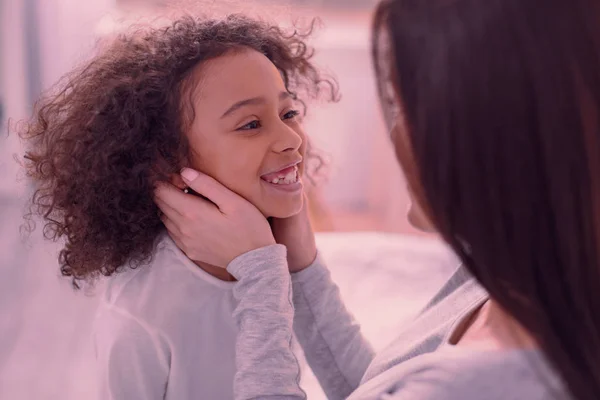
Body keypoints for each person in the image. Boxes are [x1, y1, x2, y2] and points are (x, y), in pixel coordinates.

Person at [154, 0, 600, 399]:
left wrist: (260, 277)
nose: (291, 138)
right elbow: (376, 386)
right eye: (252, 123)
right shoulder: (514, 268)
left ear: (480, 131)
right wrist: (300, 263)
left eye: (399, 102)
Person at [19, 15, 336, 399]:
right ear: (169, 163)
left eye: (288, 113)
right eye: (251, 124)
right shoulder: (142, 316)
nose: (292, 140)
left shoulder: (277, 262)